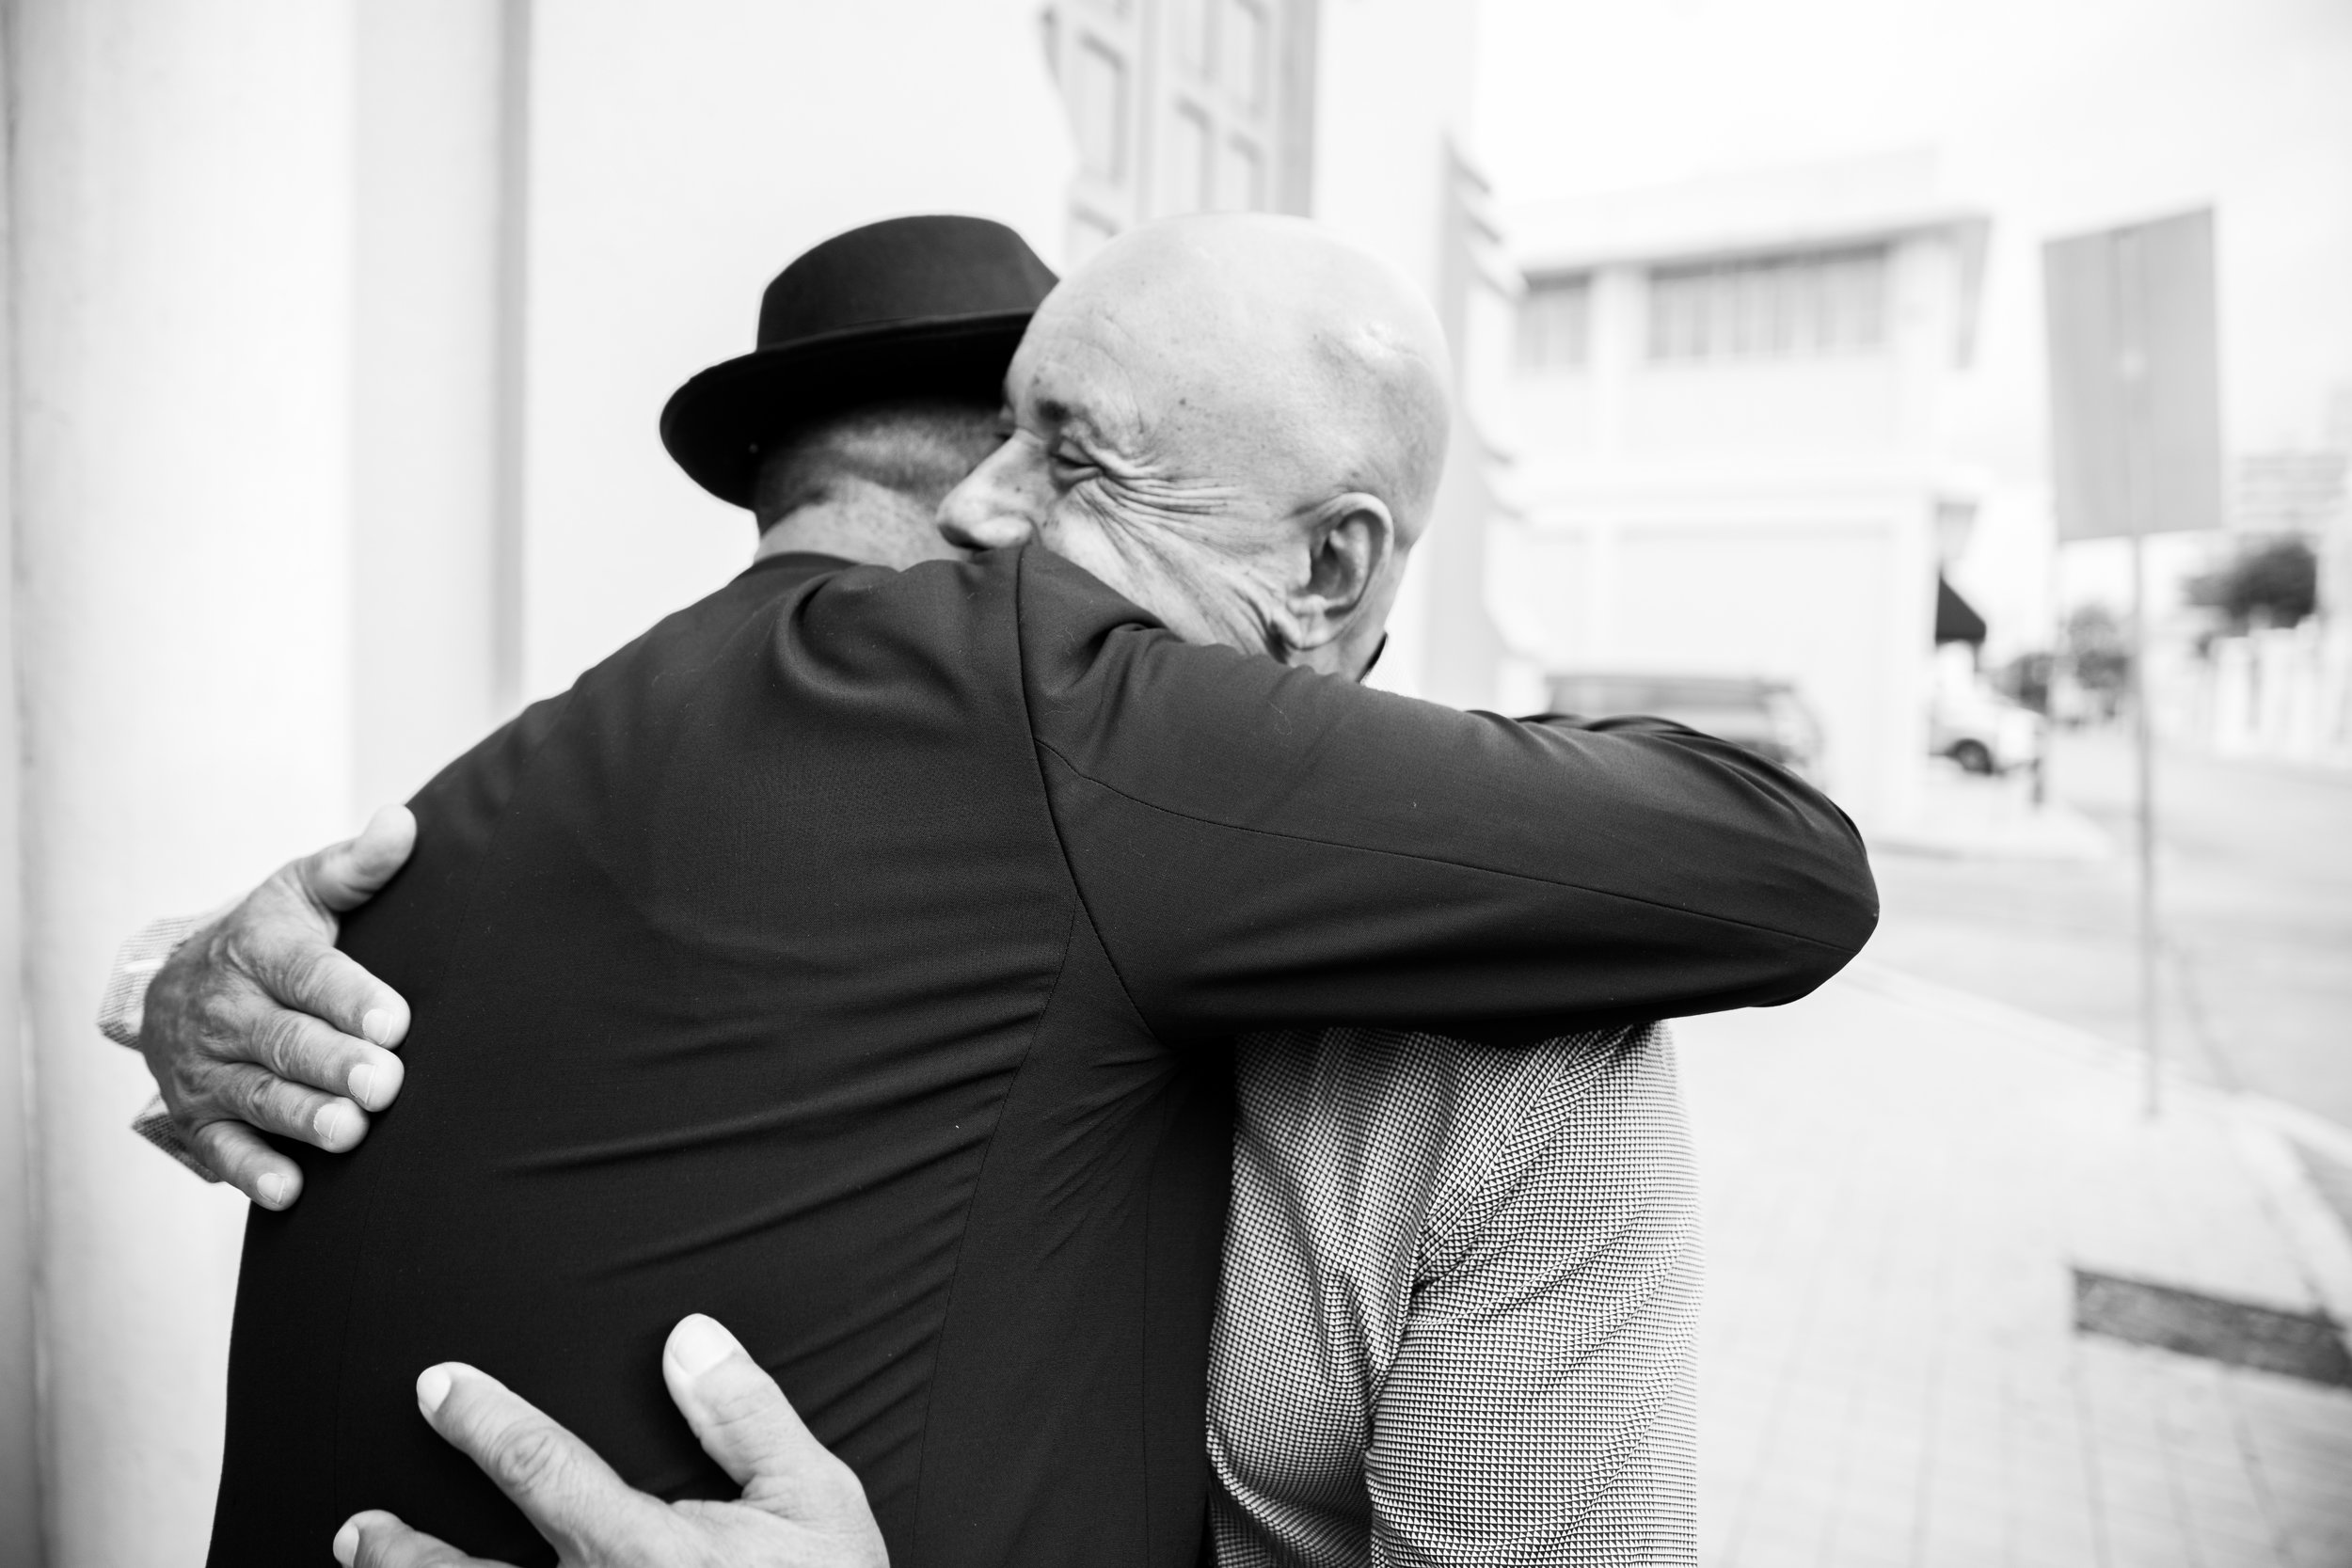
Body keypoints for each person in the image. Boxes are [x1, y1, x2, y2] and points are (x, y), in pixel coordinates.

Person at [113, 214, 1875, 1567]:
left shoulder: (1518, 1073)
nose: (979, 524)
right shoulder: (718, 791)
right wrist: (172, 977)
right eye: (986, 443)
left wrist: (157, 981)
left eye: (1072, 457)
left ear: (1328, 566)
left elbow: (1775, 863)